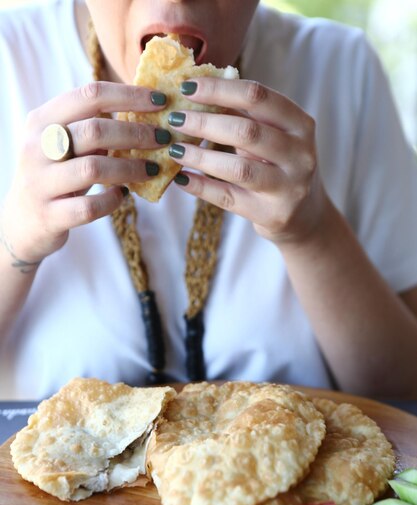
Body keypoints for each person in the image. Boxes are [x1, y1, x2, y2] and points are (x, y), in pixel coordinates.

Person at [0, 0, 417, 401]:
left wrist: (312, 233)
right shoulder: (11, 58)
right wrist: (15, 245)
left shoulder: (342, 69)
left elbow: (404, 391)